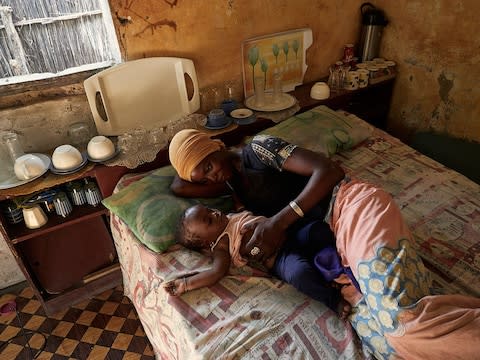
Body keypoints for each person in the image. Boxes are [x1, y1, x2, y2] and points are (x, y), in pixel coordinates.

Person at [168, 129, 480, 360]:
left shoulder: (260, 149)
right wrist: (197, 171)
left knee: (403, 322)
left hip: (349, 208)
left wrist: (279, 223)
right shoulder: (230, 185)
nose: (211, 177)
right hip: (328, 249)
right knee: (391, 345)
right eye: (204, 179)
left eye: (209, 167)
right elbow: (177, 185)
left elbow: (330, 171)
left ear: (213, 147)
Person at [163, 203, 352, 318]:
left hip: (290, 235)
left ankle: (344, 255)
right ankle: (333, 300)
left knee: (317, 230)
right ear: (206, 242)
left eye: (209, 210)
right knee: (300, 274)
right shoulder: (221, 245)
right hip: (280, 257)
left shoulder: (229, 216)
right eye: (209, 220)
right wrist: (186, 283)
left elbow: (243, 210)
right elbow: (216, 272)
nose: (214, 214)